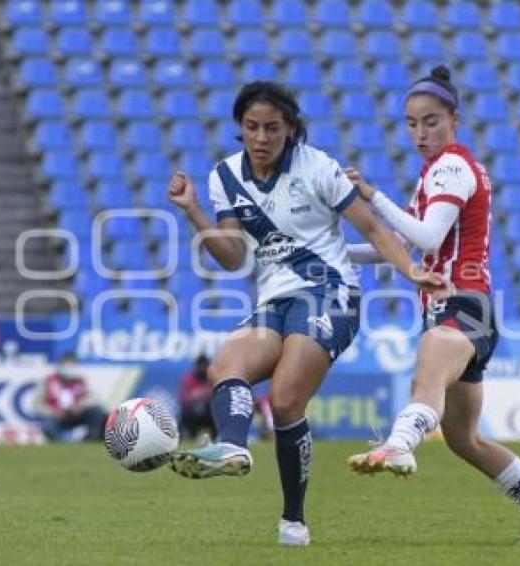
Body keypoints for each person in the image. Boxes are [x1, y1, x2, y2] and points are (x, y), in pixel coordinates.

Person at [165, 81, 439, 546]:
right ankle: (233, 446)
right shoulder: (225, 177)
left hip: (329, 292)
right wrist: (193, 210)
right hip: (274, 299)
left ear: (291, 129)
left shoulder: (317, 167)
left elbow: (371, 226)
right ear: (241, 129)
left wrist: (412, 270)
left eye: (272, 128)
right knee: (225, 367)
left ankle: (294, 519)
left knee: (288, 399)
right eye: (252, 127)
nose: (261, 137)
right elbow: (233, 258)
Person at [343, 66, 520, 544]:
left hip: (462, 304)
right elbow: (400, 245)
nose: (420, 132)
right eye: (411, 123)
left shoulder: (452, 166)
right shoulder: (436, 172)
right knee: (463, 438)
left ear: (453, 117)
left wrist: (371, 196)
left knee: (425, 377)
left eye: (430, 120)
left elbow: (425, 235)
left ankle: (397, 445)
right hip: (464, 310)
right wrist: (324, 252)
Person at [36, 352, 106, 442]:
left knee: (97, 412)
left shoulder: (80, 381)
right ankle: (62, 442)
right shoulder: (49, 381)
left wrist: (81, 405)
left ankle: (92, 437)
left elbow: (95, 398)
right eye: (67, 365)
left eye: (72, 365)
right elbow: (37, 404)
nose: (70, 368)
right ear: (61, 366)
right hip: (57, 417)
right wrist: (53, 412)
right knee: (48, 426)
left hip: (77, 413)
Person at [178, 354, 216, 442]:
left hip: (209, 413)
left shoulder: (213, 379)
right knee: (193, 410)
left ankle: (216, 438)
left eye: (205, 365)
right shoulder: (189, 379)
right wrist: (199, 395)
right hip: (192, 413)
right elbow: (184, 399)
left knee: (215, 410)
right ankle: (191, 437)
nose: (203, 368)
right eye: (201, 365)